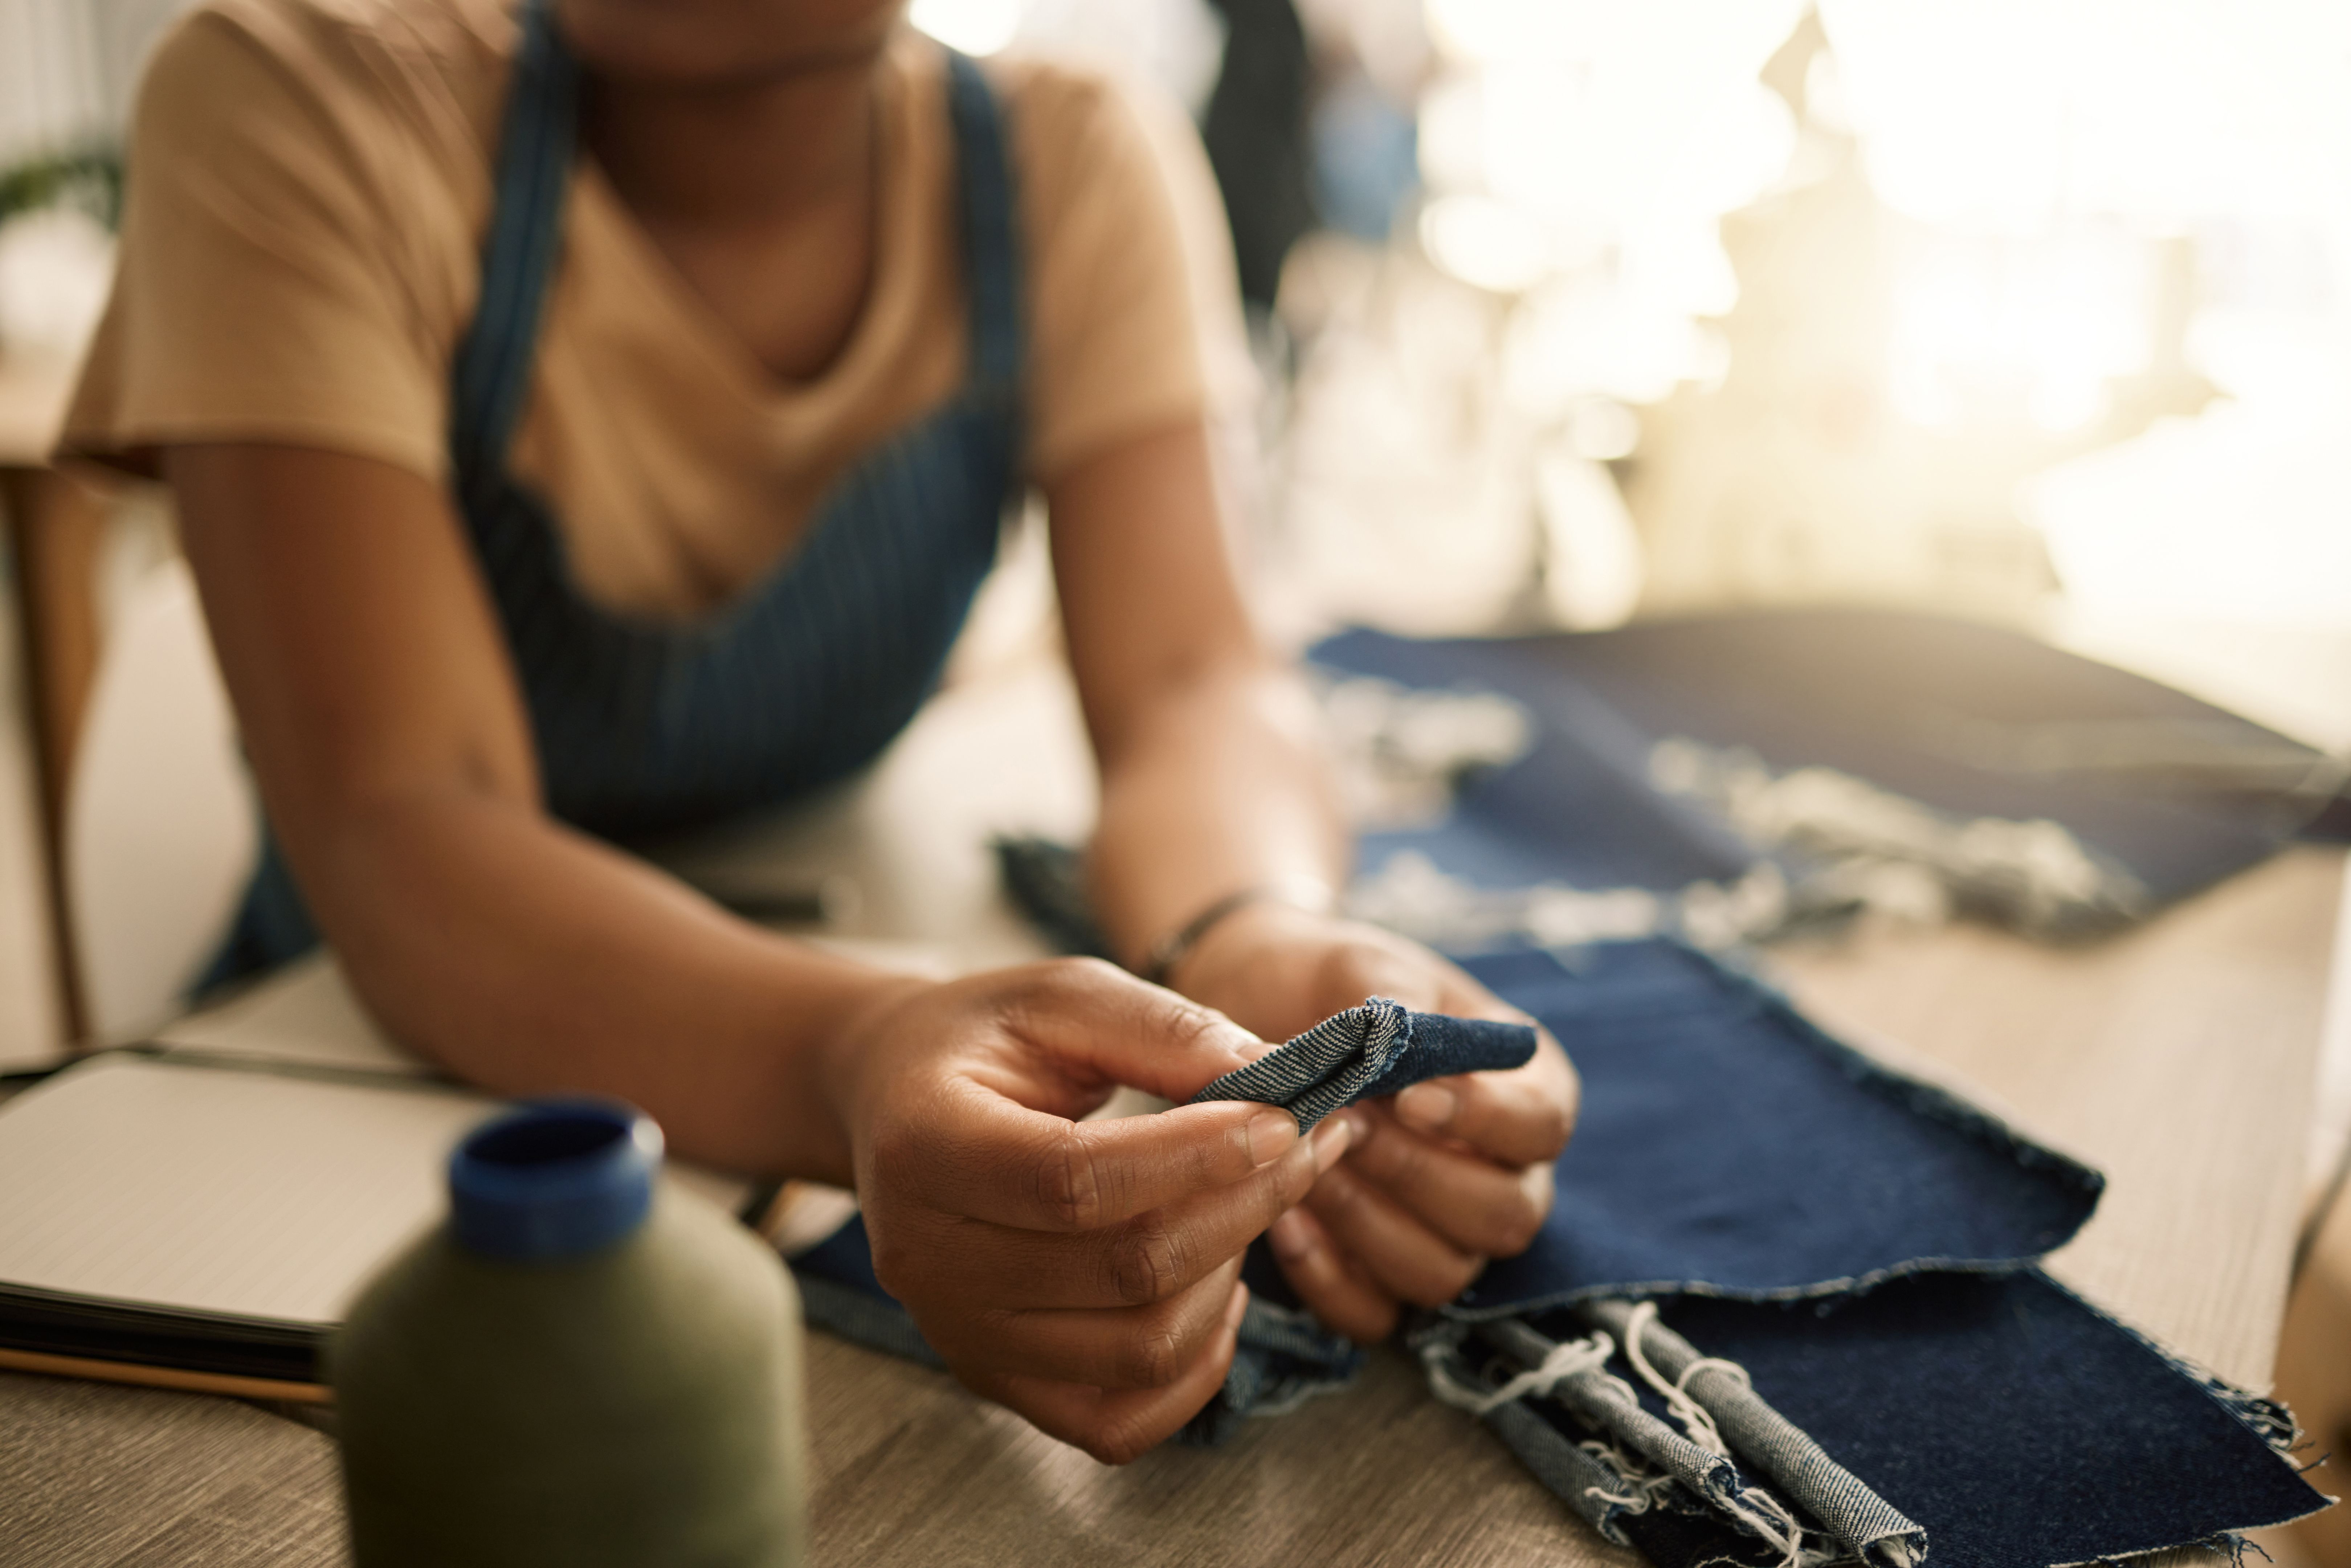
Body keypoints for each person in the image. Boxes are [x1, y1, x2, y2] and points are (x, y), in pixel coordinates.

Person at [59, 0, 1577, 1462]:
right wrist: (856, 1058)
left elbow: (1193, 681)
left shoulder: (1068, 155)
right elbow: (408, 821)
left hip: (823, 1050)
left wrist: (1248, 930)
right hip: (366, 1087)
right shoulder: (299, 97)